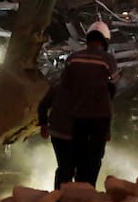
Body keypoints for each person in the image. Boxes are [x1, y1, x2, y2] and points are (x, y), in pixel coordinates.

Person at [37, 21, 118, 189]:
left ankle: (61, 200)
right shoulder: (106, 63)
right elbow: (112, 90)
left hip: (62, 131)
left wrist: (44, 123)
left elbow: (44, 104)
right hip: (83, 127)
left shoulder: (70, 67)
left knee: (66, 169)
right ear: (105, 41)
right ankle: (83, 196)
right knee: (88, 164)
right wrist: (106, 130)